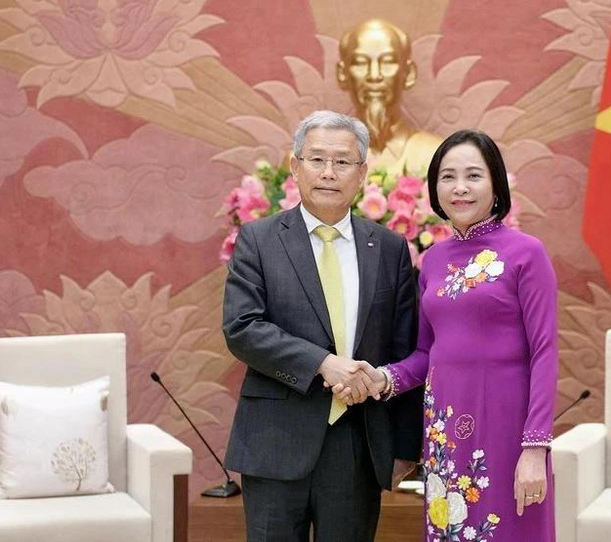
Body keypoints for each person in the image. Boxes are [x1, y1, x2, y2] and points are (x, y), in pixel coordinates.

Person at [333, 129, 558, 541]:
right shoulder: (434, 259)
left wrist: (535, 448)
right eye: (448, 177)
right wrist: (382, 378)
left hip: (507, 429)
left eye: (473, 176)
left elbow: (545, 352)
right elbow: (426, 352)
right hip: (445, 430)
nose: (460, 188)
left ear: (495, 184)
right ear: (435, 188)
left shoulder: (527, 253)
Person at [221, 110, 422, 542]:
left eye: (343, 162)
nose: (329, 173)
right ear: (295, 166)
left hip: (356, 444)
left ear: (362, 172)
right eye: (317, 159)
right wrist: (322, 364)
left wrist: (406, 446)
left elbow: (408, 349)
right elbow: (242, 327)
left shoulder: (388, 248)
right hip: (275, 440)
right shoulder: (258, 239)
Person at [338, 18, 442, 176]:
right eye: (360, 63)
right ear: (342, 74)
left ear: (408, 73)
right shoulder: (312, 163)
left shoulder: (436, 156)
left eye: (387, 62)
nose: (374, 75)